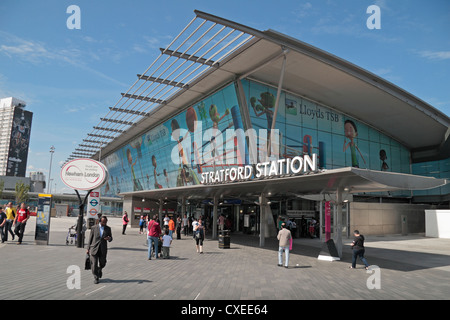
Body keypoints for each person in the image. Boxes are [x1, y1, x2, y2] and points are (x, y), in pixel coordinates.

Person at [87, 216, 113, 284]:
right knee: (94, 264)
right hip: (94, 248)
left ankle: (100, 269)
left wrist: (109, 238)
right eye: (103, 222)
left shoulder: (108, 228)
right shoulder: (94, 228)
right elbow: (90, 238)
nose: (104, 223)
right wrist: (88, 248)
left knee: (103, 263)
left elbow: (111, 238)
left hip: (103, 249)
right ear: (99, 221)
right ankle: (96, 277)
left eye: (105, 222)